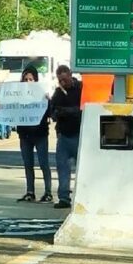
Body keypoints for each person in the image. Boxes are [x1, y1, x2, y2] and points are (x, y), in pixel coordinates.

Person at [16, 66, 53, 204]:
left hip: (40, 134)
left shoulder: (42, 95)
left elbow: (50, 113)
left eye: (31, 79)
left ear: (36, 80)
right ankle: (30, 192)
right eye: (25, 79)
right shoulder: (18, 96)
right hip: (24, 135)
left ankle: (48, 192)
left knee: (44, 164)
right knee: (28, 164)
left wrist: (49, 101)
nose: (28, 81)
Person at [50, 64, 83, 209]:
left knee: (82, 168)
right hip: (63, 134)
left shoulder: (81, 88)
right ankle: (64, 197)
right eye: (60, 80)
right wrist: (58, 112)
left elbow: (82, 109)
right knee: (62, 168)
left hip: (78, 133)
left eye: (64, 79)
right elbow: (53, 112)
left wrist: (67, 111)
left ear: (70, 75)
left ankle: (82, 196)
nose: (63, 83)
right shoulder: (58, 93)